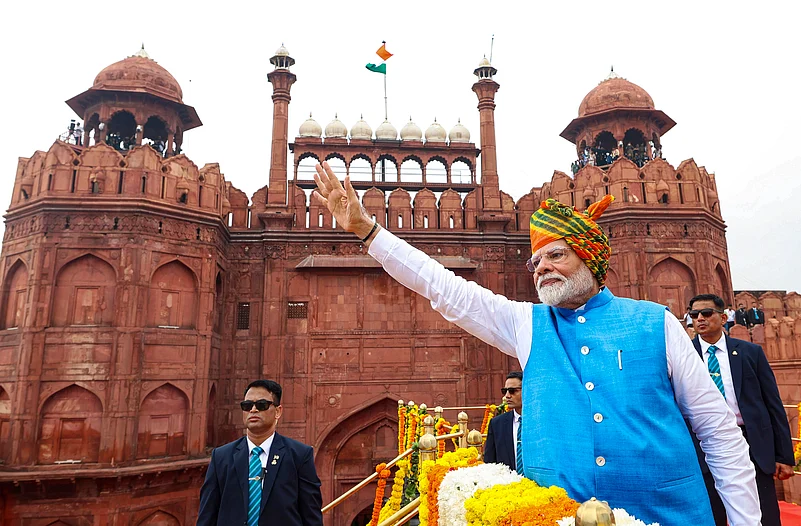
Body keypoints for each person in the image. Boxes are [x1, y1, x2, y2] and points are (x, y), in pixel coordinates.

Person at [312, 161, 759, 525]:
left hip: (665, 515)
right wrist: (367, 232)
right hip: (558, 517)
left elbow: (719, 433)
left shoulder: (654, 323)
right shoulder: (527, 325)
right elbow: (445, 289)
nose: (541, 267)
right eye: (536, 260)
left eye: (556, 254)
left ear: (591, 258)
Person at [688, 294, 794, 526]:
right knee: (711, 511)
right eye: (694, 315)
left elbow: (772, 404)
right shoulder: (685, 356)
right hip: (703, 441)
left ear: (723, 317)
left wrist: (784, 456)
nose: (700, 319)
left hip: (750, 440)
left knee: (763, 510)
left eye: (707, 314)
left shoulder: (749, 352)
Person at [197, 380, 323, 526]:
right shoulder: (222, 456)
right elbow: (207, 514)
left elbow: (311, 515)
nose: (253, 410)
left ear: (278, 411)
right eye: (247, 405)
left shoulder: (299, 455)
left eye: (261, 405)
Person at [484, 372, 523, 473]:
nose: (507, 396)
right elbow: (489, 463)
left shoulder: (541, 423)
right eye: (505, 391)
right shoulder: (497, 424)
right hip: (507, 485)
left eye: (512, 391)